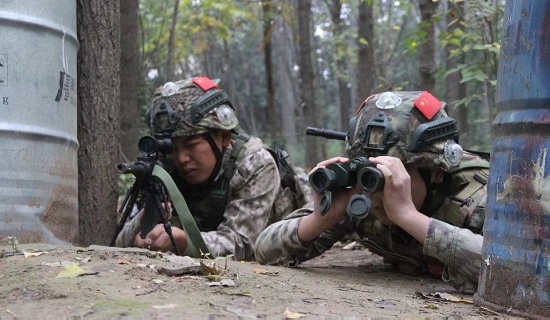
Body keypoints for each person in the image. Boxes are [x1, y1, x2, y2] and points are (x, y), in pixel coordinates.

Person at [254, 91, 489, 294]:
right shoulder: (362, 197)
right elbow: (264, 250)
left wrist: (409, 217)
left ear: (436, 173)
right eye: (370, 174)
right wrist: (319, 219)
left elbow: (506, 270)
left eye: (391, 176)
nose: (377, 194)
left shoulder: (476, 197)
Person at [115, 76, 311, 261]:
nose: (181, 158)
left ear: (224, 137)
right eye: (172, 148)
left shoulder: (254, 164)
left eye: (191, 145)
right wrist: (141, 223)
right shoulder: (165, 166)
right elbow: (116, 239)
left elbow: (242, 245)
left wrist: (185, 243)